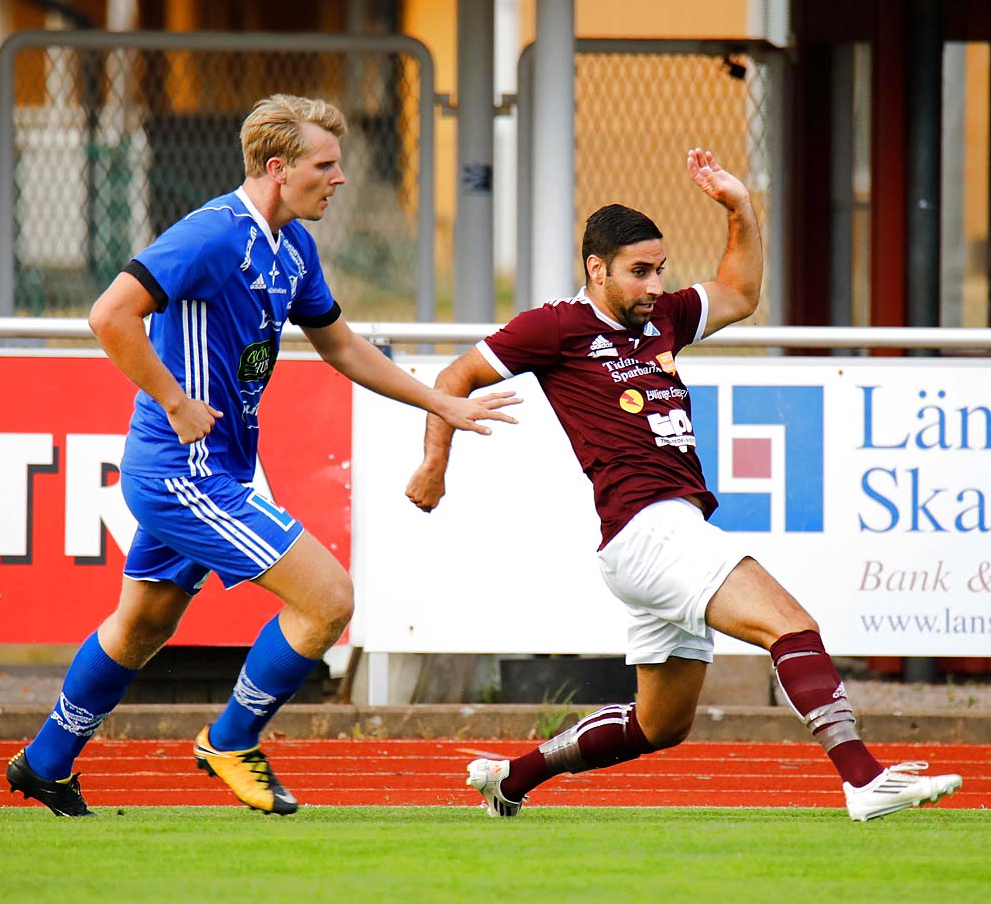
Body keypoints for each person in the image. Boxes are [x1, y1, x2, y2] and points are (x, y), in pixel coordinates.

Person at [406, 149, 961, 823]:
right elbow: (453, 379)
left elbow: (739, 292)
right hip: (648, 528)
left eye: (659, 270)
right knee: (791, 624)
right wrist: (435, 465)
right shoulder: (557, 327)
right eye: (639, 272)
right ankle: (863, 779)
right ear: (596, 268)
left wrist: (739, 208)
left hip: (656, 537)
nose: (652, 285)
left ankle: (509, 779)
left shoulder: (661, 318)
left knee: (659, 726)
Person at [8, 94, 517, 817]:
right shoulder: (212, 235)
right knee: (328, 599)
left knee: (142, 624)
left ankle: (46, 761)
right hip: (182, 470)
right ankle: (231, 741)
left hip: (215, 469)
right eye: (326, 165)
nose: (339, 178)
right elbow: (109, 314)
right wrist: (175, 400)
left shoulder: (294, 246)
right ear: (278, 169)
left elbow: (340, 345)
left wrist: (441, 402)